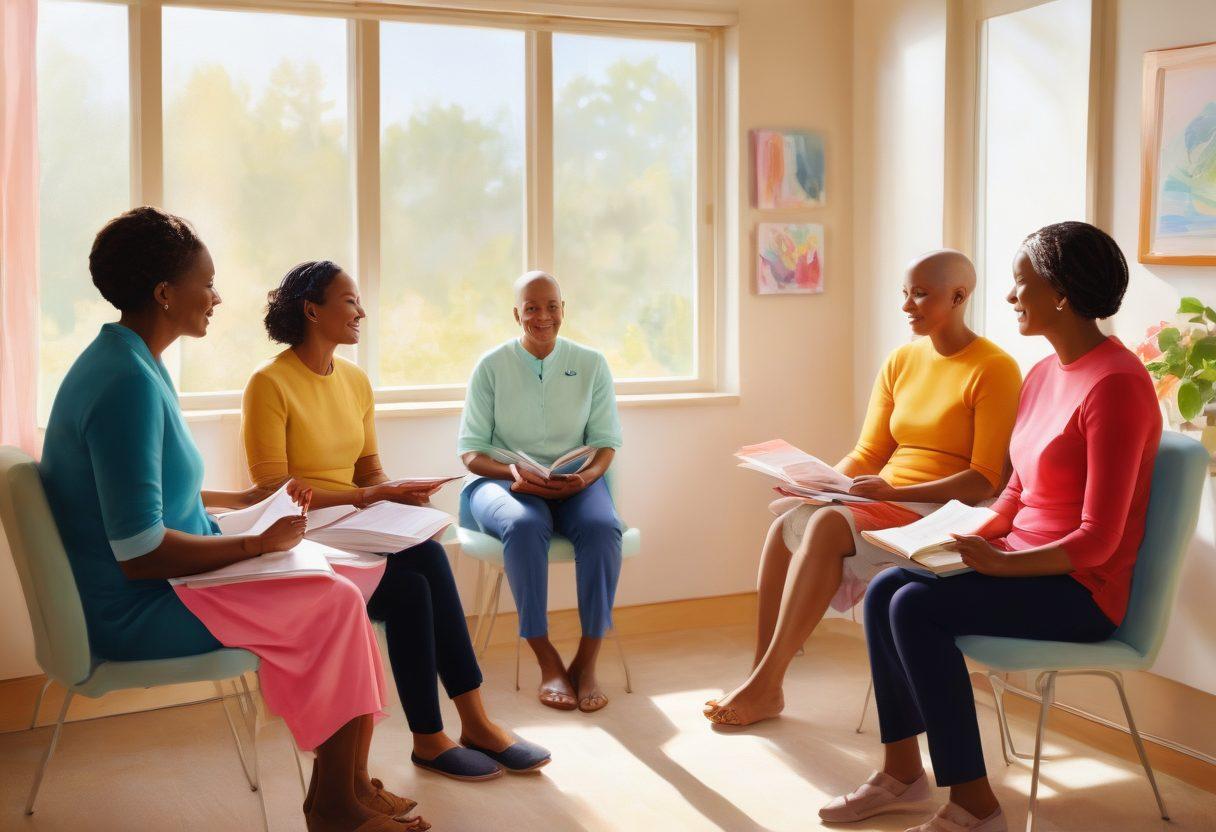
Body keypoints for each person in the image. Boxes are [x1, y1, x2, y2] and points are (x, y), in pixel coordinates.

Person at [39, 208, 423, 832]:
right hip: (140, 606)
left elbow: (158, 495)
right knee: (334, 602)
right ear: (165, 294)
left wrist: (240, 501)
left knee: (349, 582)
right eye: (207, 282)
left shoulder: (132, 361)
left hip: (169, 583)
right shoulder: (126, 383)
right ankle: (333, 807)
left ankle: (347, 783)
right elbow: (141, 552)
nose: (216, 297)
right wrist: (253, 543)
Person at [822, 222, 1160, 832]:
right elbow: (1015, 489)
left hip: (1080, 588)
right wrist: (965, 534)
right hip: (1019, 562)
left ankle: (975, 807)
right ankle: (902, 772)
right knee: (883, 591)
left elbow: (1099, 539)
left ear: (1059, 292)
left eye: (1020, 284)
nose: (1009, 296)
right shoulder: (1043, 374)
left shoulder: (1117, 385)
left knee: (915, 608)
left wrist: (1000, 563)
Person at [242, 261, 549, 782]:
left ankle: (466, 725)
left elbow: (368, 470)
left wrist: (398, 499)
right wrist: (369, 496)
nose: (361, 310)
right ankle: (439, 734)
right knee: (415, 579)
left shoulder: (356, 381)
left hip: (353, 530)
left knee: (419, 568)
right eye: (349, 300)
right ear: (312, 310)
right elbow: (273, 488)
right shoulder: (269, 383)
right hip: (300, 539)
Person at [706, 250, 1022, 727]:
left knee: (830, 523)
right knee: (786, 524)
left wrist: (886, 496)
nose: (907, 305)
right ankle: (761, 678)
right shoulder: (901, 361)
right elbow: (869, 453)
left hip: (939, 511)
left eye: (921, 294)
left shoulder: (994, 368)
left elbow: (986, 478)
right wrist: (818, 482)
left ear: (959, 297)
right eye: (905, 293)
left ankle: (767, 683)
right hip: (883, 495)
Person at [457, 271, 623, 712]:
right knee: (526, 525)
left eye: (552, 306)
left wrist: (586, 479)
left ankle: (586, 661)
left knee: (604, 528)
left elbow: (606, 442)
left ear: (564, 310)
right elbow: (471, 454)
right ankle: (545, 657)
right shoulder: (491, 366)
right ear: (517, 314)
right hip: (501, 483)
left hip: (576, 480)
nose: (542, 316)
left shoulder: (591, 364)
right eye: (531, 307)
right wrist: (514, 471)